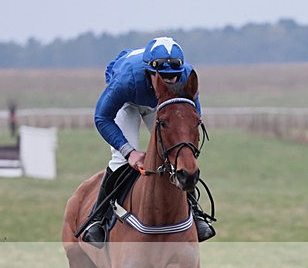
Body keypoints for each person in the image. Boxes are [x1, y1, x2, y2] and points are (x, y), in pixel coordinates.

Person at [81, 36, 215, 246]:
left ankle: (195, 213)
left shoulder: (186, 76)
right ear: (149, 72)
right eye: (163, 77)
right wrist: (129, 152)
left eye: (173, 77)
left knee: (175, 154)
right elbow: (102, 117)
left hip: (162, 104)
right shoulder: (127, 80)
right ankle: (98, 219)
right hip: (129, 101)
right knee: (121, 160)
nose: (169, 82)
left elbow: (192, 116)